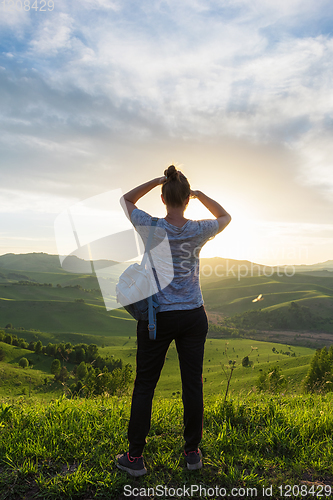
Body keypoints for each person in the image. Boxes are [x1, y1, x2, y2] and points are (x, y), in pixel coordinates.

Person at [116, 165, 231, 476]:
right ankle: (192, 452)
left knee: (145, 387)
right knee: (192, 384)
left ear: (164, 197)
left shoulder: (150, 226)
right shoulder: (198, 229)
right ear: (187, 199)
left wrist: (155, 182)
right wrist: (202, 194)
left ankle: (135, 458)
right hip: (194, 314)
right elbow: (225, 217)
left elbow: (126, 200)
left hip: (158, 317)